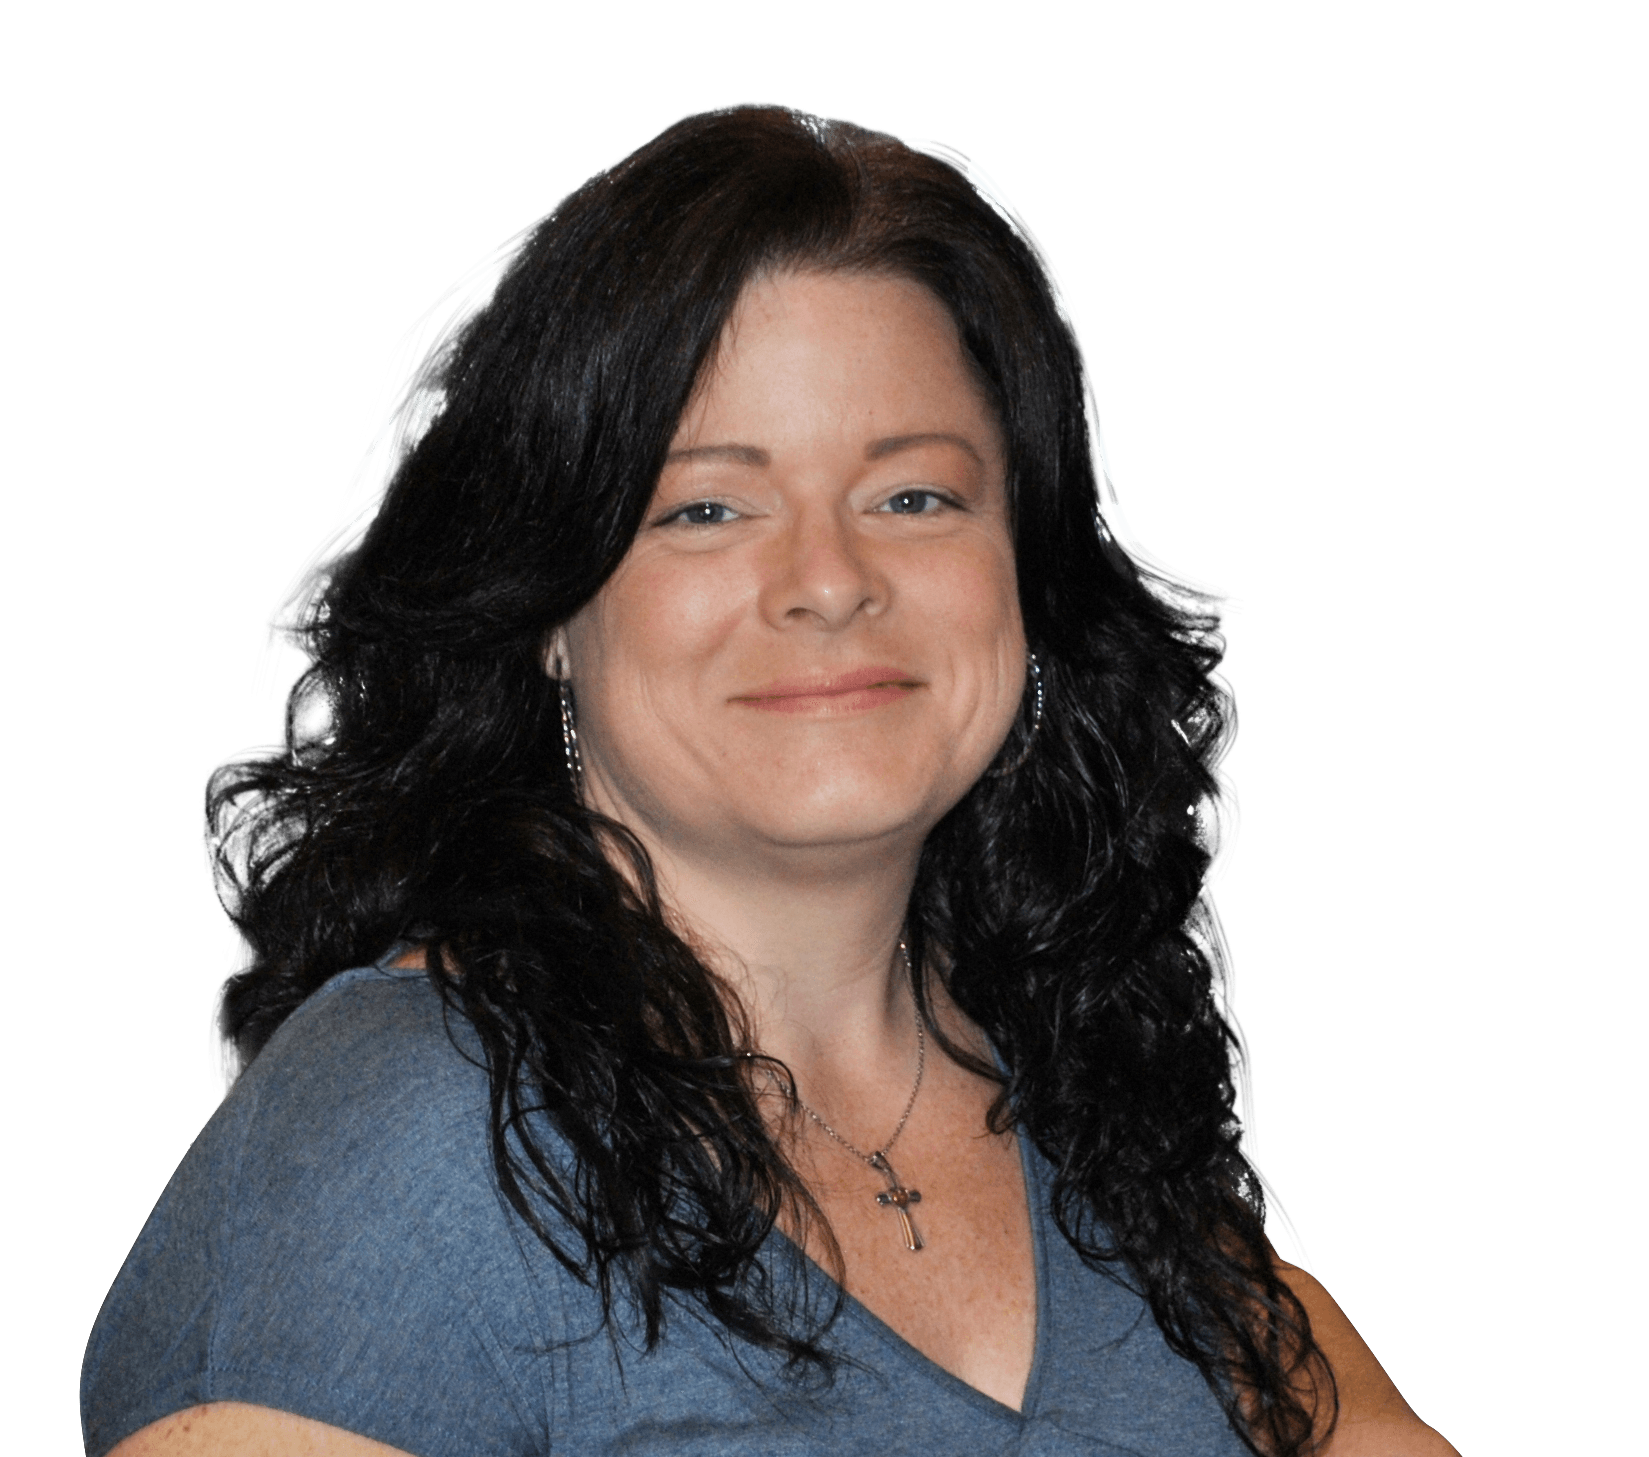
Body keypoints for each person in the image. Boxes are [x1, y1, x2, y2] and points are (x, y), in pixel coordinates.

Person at [81, 103, 1457, 1456]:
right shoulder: (398, 1144)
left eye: (914, 496)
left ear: (1024, 579)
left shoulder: (1100, 1126)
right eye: (706, 508)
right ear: (549, 612)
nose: (829, 582)